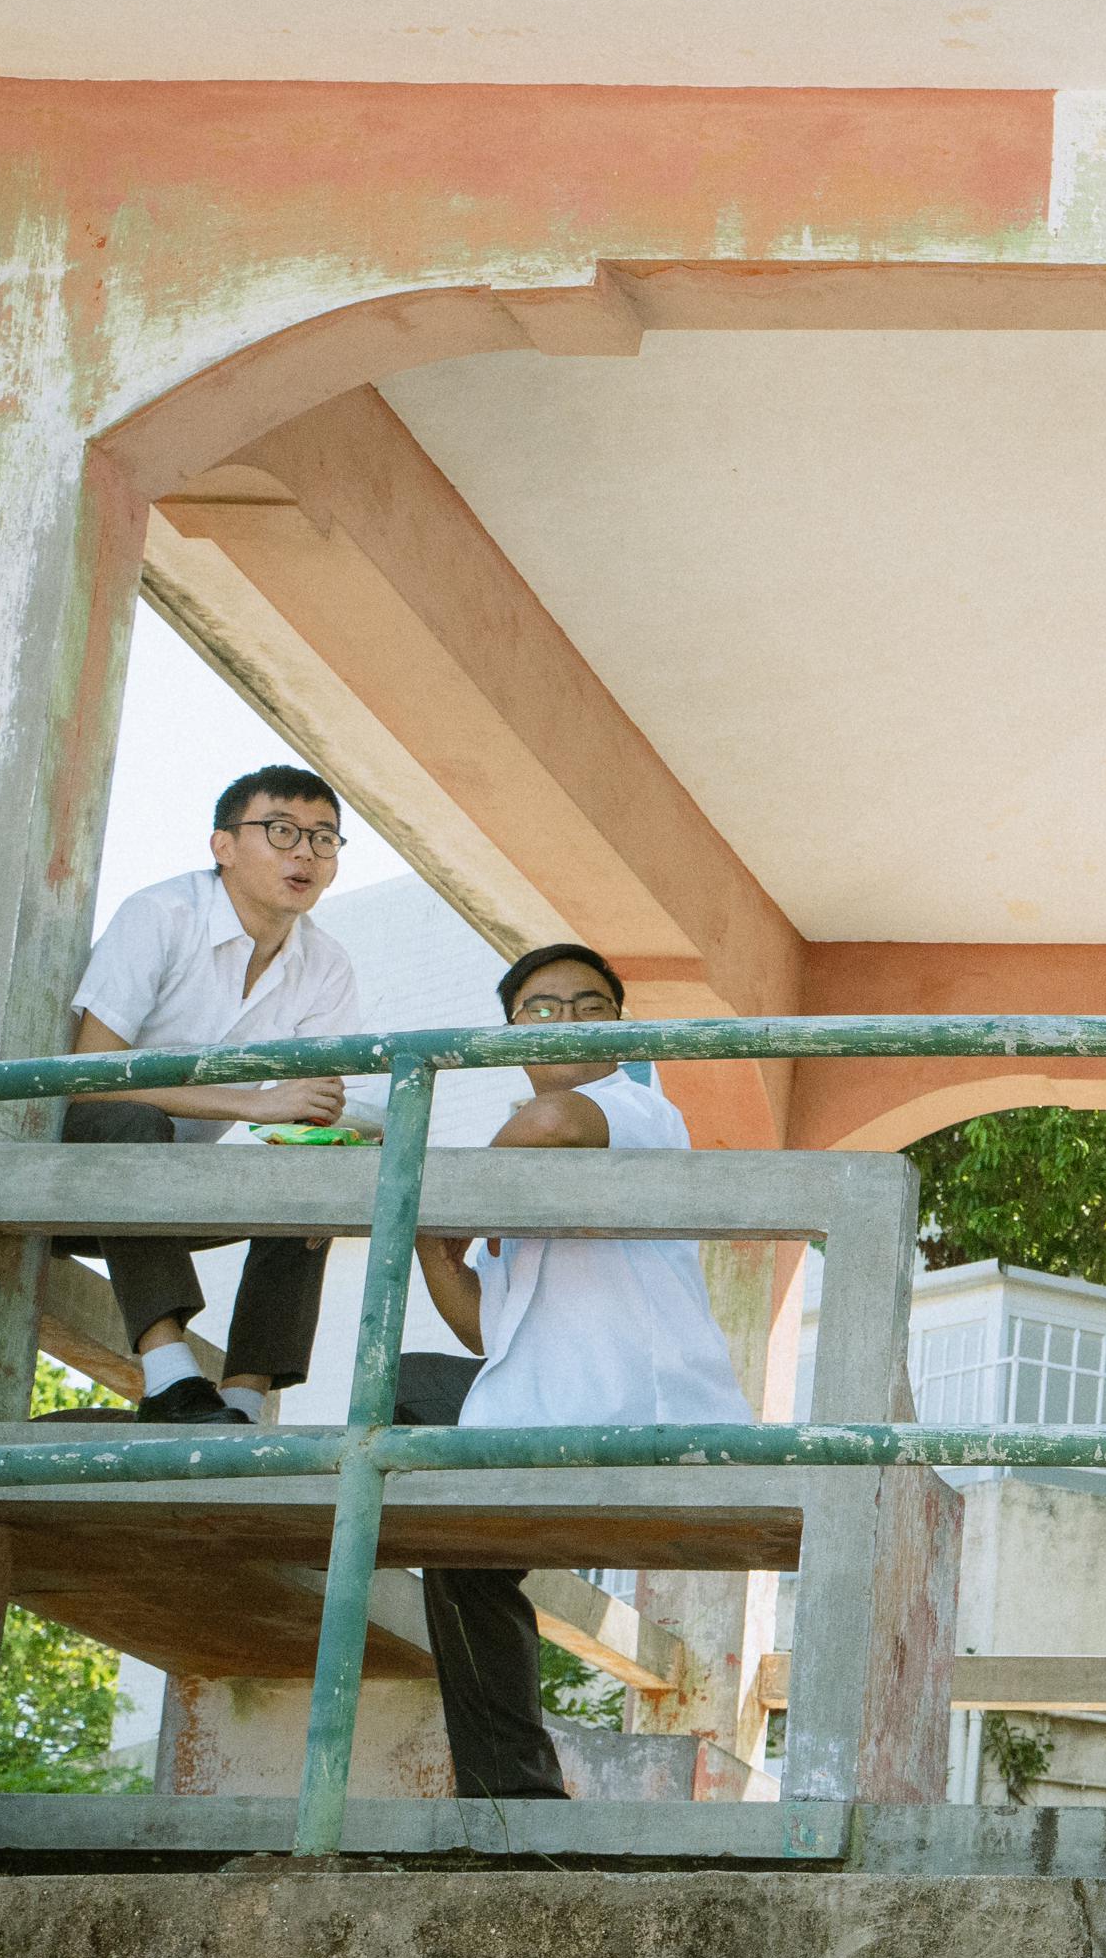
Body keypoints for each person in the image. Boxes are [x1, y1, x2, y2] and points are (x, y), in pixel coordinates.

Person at [400, 944, 754, 1802]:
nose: (569, 1021)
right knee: (431, 1468)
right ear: (510, 1032)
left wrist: (458, 1194)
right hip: (543, 1408)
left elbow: (554, 1121)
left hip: (642, 1413)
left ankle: (509, 1787)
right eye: (543, 1008)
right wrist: (429, 1239)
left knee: (435, 1493)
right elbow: (488, 1330)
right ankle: (512, 1796)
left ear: (619, 1029)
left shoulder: (635, 1109)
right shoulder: (520, 1159)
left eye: (592, 1006)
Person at [60, 766, 365, 1422]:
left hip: (184, 1190)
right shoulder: (161, 915)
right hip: (82, 1179)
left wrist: (329, 1142)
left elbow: (309, 1108)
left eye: (323, 838)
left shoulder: (328, 964)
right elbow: (89, 1079)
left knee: (314, 1165)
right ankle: (170, 1380)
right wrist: (255, 1104)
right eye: (281, 831)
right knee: (127, 1121)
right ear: (223, 845)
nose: (305, 853)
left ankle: (243, 1402)